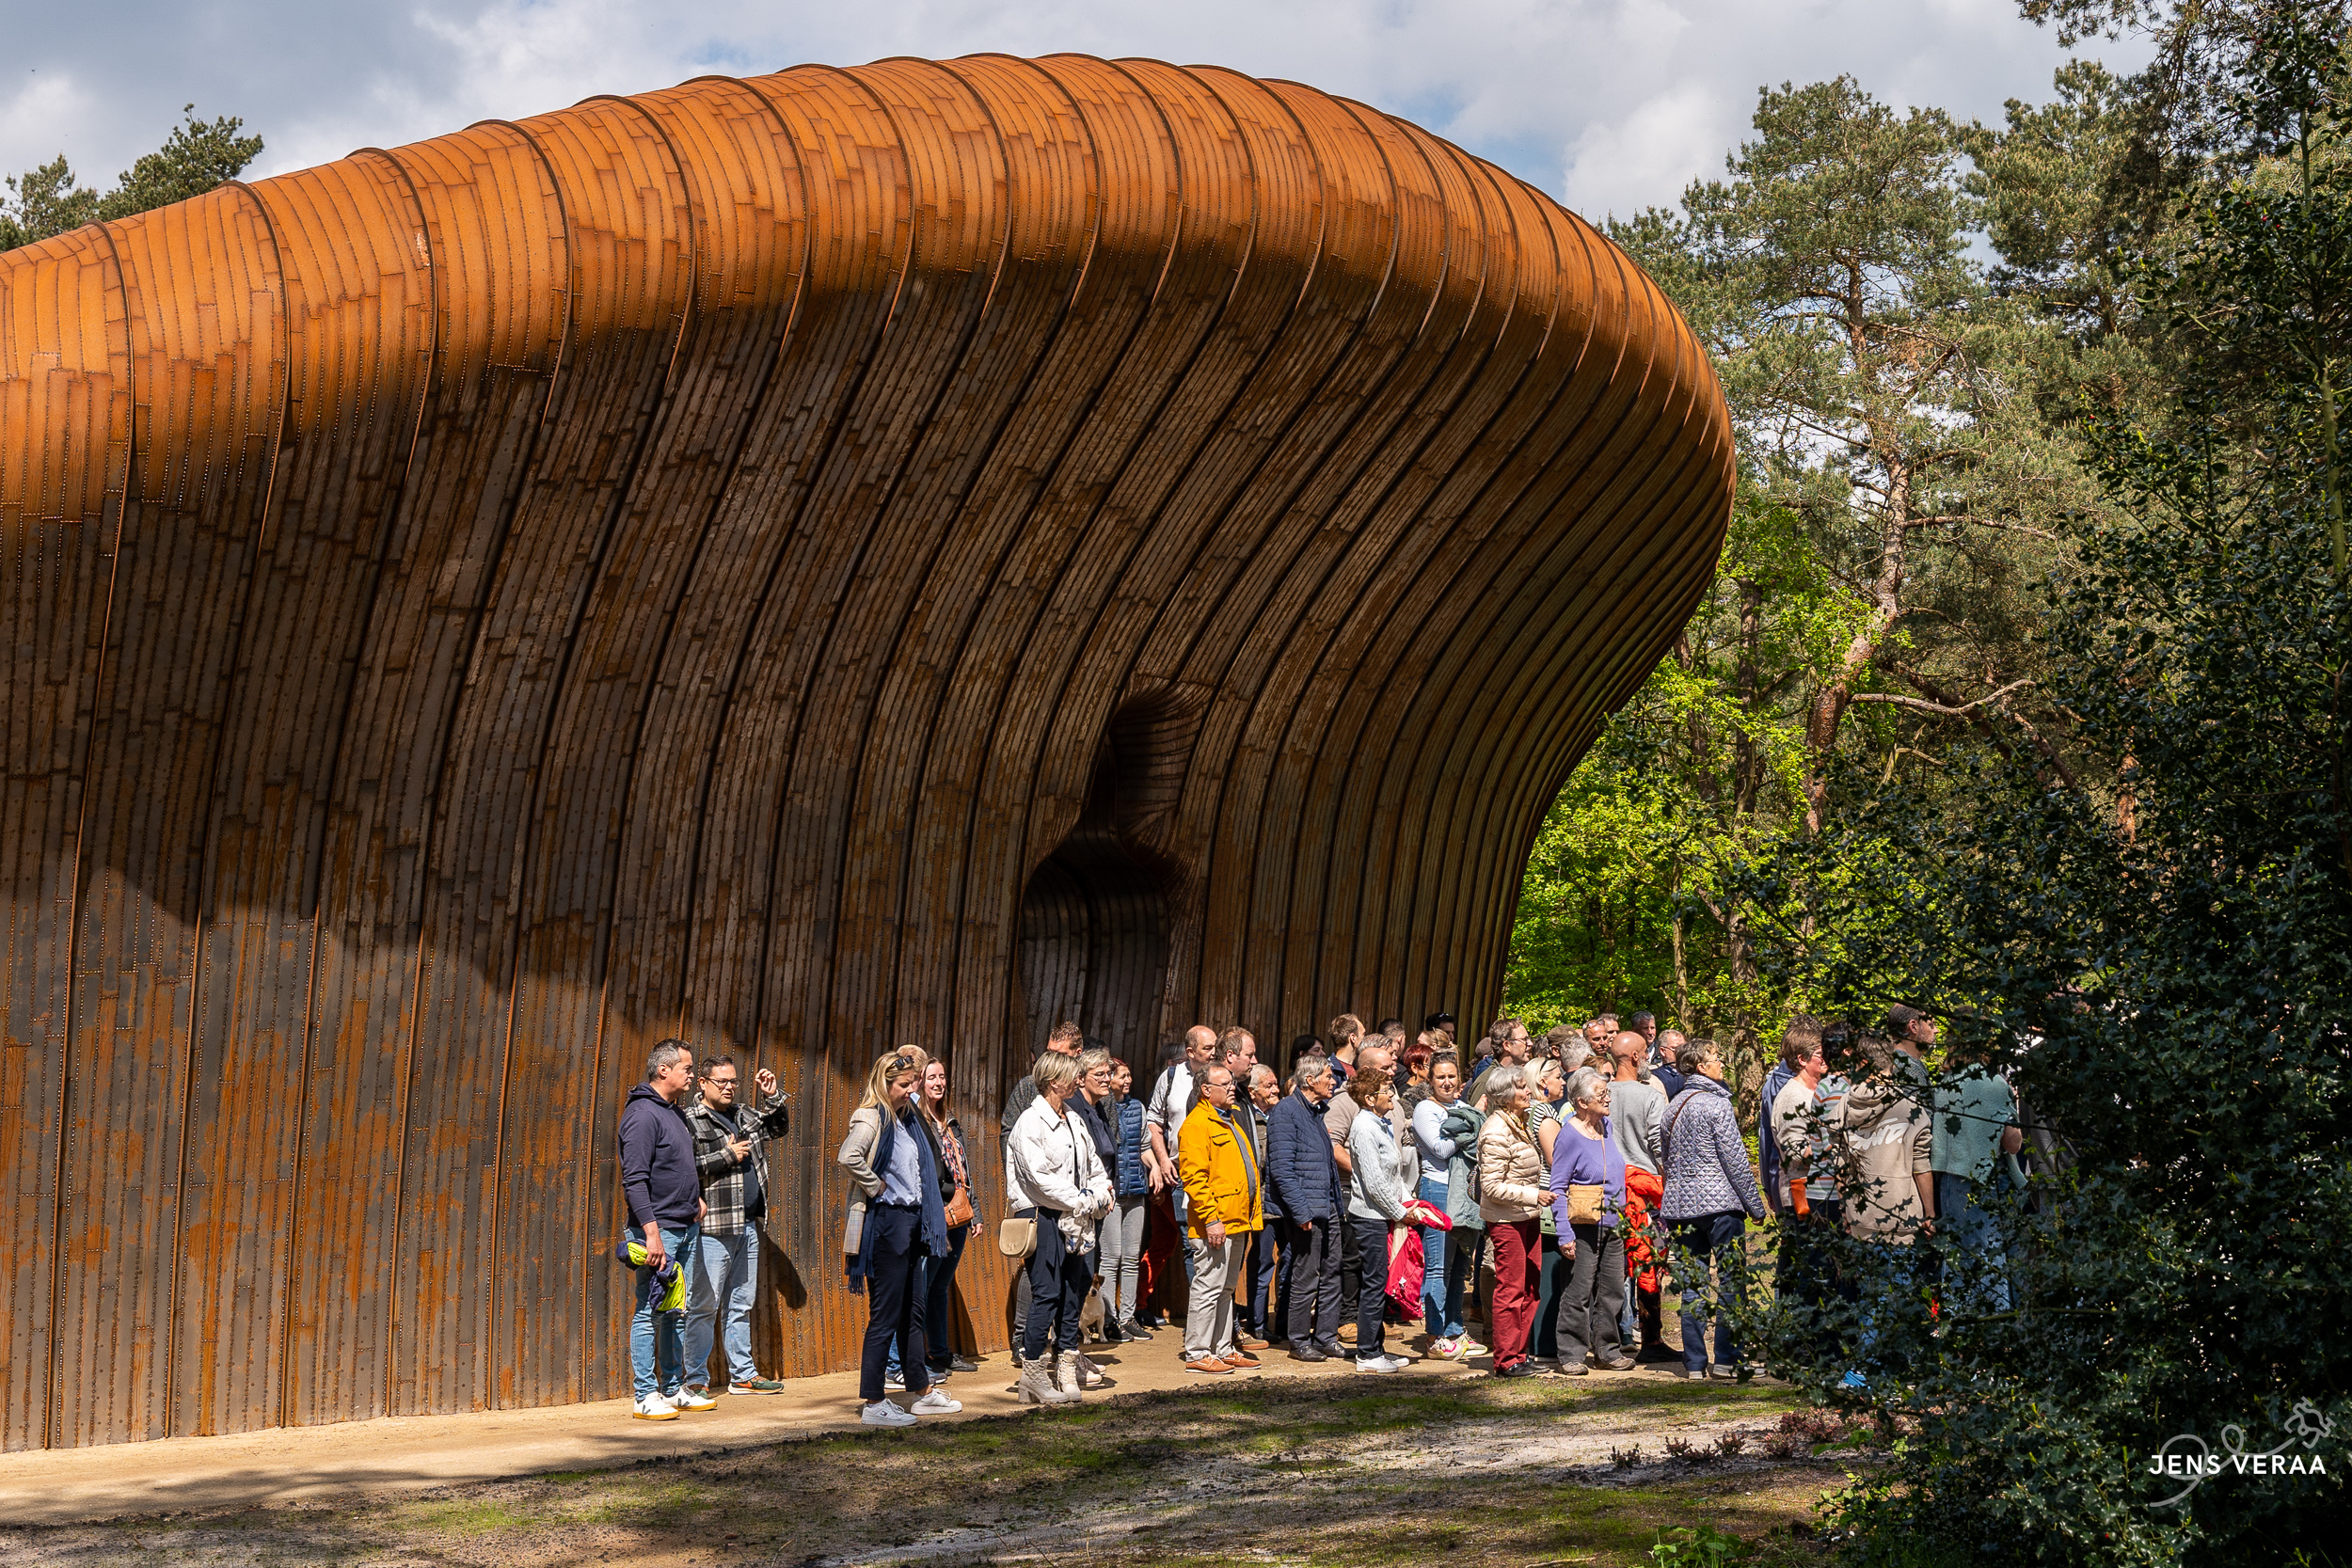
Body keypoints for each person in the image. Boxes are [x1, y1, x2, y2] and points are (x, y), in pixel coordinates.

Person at [838, 1049, 958, 1428]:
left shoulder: (906, 1119)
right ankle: (874, 1401)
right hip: (886, 1222)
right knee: (886, 1315)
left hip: (910, 1221)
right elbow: (848, 1156)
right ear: (885, 1083)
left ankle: (921, 1392)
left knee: (913, 1312)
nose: (911, 1091)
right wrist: (876, 1186)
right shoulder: (872, 1116)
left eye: (913, 1084)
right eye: (904, 1085)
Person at [682, 1053, 790, 1399]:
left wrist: (772, 1096)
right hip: (713, 1227)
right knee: (703, 1305)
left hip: (748, 1225)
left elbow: (778, 1127)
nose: (729, 1087)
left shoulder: (743, 1114)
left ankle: (742, 1375)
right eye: (721, 1081)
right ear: (703, 1084)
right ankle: (695, 1379)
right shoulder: (691, 1120)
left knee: (741, 1304)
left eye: (733, 1081)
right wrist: (727, 1155)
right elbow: (685, 1168)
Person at [1008, 1051, 1112, 1405]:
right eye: (1073, 1075)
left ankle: (1067, 1365)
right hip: (1042, 1217)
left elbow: (1094, 1166)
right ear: (1055, 1081)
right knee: (1047, 1293)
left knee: (1073, 1292)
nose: (1078, 1079)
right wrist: (1084, 1199)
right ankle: (1033, 1374)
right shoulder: (1029, 1123)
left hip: (1076, 1220)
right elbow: (1039, 1179)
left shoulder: (1074, 1120)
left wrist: (1101, 1192)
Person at [1660, 1037, 1766, 1381]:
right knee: (1733, 1281)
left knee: (1692, 1284)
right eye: (1717, 1058)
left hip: (1679, 1208)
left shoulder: (1672, 1107)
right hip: (1720, 1206)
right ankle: (1727, 1358)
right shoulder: (1716, 1105)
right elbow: (1734, 1161)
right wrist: (1756, 1205)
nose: (1723, 1064)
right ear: (1702, 1067)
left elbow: (1666, 1157)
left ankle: (1693, 1364)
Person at [619, 1039, 707, 1420]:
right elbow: (635, 1180)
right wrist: (650, 1233)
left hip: (684, 1224)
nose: (692, 1075)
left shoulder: (675, 1112)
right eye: (687, 1068)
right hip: (658, 1231)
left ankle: (672, 1390)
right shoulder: (642, 1114)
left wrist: (696, 1199)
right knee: (648, 1311)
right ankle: (644, 1395)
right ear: (663, 1071)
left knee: (675, 1311)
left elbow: (679, 1165)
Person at [1177, 1063, 1264, 1373]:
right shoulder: (1197, 1124)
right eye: (1224, 1083)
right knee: (1208, 1287)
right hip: (1215, 1224)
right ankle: (1198, 1352)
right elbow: (1194, 1178)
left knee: (1226, 1288)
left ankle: (1222, 1348)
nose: (1232, 1088)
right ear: (1205, 1090)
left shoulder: (1228, 1120)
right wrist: (1211, 1219)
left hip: (1237, 1220)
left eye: (1232, 1083)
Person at [1549, 1066, 1632, 1374]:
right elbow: (1557, 1187)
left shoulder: (1607, 1126)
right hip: (1582, 1225)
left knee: (1612, 1290)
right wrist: (1564, 1233)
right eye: (1601, 1094)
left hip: (1613, 1222)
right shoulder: (1569, 1135)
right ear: (1582, 1102)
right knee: (1578, 1290)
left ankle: (1607, 1351)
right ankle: (1571, 1354)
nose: (1607, 1098)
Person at [1772, 1023, 1849, 1360]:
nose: (1826, 1060)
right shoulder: (1792, 1096)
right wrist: (1833, 1145)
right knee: (1808, 1273)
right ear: (1802, 1059)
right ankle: (1800, 1347)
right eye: (1820, 1055)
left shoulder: (1820, 1089)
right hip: (1802, 1198)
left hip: (1824, 1196)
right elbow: (1792, 1152)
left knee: (1819, 1271)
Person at [1931, 1043, 2024, 1313]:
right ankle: (1993, 1327)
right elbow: (2013, 1144)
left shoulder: (1946, 1083)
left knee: (1958, 1255)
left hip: (1950, 1182)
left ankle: (1958, 1328)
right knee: (1990, 1254)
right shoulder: (1994, 1084)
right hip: (1986, 1181)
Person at [1267, 1056, 1346, 1360]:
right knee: (1305, 1275)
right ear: (1310, 1080)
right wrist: (1301, 1212)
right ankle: (1299, 1341)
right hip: (1307, 1213)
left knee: (1332, 1273)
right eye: (1328, 1076)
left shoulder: (1315, 1113)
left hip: (1328, 1208)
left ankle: (1326, 1336)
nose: (1334, 1081)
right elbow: (1282, 1170)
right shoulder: (1287, 1112)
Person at [1475, 1063, 1550, 1378]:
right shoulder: (1495, 1130)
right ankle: (1506, 1361)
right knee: (1511, 1288)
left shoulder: (1517, 1123)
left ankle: (1519, 1354)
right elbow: (1490, 1186)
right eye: (1522, 1087)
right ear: (1505, 1095)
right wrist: (1534, 1195)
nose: (1529, 1092)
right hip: (1507, 1221)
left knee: (1530, 1287)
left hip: (1527, 1217)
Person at [1606, 1031, 1672, 1362]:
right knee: (1648, 1265)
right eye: (1645, 1052)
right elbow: (1660, 1146)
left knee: (1612, 1265)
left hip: (1607, 1187)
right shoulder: (1649, 1097)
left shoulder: (1599, 1092)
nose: (1647, 1058)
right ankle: (1651, 1339)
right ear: (1635, 1057)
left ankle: (1609, 1337)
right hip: (1643, 1188)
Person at [1343, 1067, 1414, 1372]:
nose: (1393, 1096)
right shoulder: (1364, 1127)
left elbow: (1393, 1175)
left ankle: (1377, 1347)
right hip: (1370, 1217)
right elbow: (1373, 1183)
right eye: (1388, 1091)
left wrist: (1408, 1201)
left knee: (1380, 1282)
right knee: (1374, 1284)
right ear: (1371, 1098)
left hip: (1385, 1215)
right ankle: (1367, 1355)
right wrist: (1401, 1213)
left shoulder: (1380, 1124)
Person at [916, 1057, 980, 1381]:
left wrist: (976, 1213)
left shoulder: (951, 1121)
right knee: (924, 1286)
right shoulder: (918, 1121)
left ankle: (940, 1352)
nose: (939, 1083)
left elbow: (964, 1171)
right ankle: (920, 1357)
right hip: (936, 1214)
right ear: (920, 1083)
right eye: (932, 1078)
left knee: (940, 1285)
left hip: (959, 1213)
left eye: (942, 1077)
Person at [1409, 1053, 1472, 1356]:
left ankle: (1455, 1331)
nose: (1447, 1082)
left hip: (1464, 1192)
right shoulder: (1425, 1109)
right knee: (1437, 1266)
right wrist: (1469, 1130)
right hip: (1437, 1189)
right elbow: (1440, 1148)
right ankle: (1434, 1335)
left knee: (1460, 1266)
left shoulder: (1462, 1108)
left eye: (1452, 1076)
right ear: (1430, 1081)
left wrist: (1466, 1127)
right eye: (1440, 1077)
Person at [1072, 1048, 1122, 1345]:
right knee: (1079, 1274)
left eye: (1108, 1074)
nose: (1107, 1079)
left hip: (1100, 1202)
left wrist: (1109, 1190)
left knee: (1091, 1267)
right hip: (1081, 1205)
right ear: (1081, 1078)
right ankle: (1067, 1347)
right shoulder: (1076, 1108)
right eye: (1099, 1075)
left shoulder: (1098, 1106)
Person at [1101, 1057, 1152, 1339]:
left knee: (1132, 1257)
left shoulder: (1137, 1107)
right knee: (1111, 1256)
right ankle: (1108, 1319)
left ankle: (1128, 1317)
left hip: (1135, 1190)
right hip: (1112, 1192)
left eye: (1129, 1075)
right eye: (1122, 1076)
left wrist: (1154, 1168)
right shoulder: (1102, 1109)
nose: (1127, 1080)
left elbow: (1144, 1145)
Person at [1526, 1053, 1571, 1365]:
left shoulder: (1529, 1111)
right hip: (1548, 1201)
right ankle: (1545, 1344)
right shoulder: (1543, 1113)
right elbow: (1557, 1160)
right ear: (1543, 1082)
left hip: (1537, 1198)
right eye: (1559, 1077)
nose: (1563, 1082)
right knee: (1550, 1272)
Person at [1241, 1063, 1284, 1345]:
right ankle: (1257, 1324)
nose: (1276, 1090)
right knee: (1262, 1260)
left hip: (1287, 1202)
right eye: (1269, 1086)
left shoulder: (1281, 1115)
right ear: (1252, 1091)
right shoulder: (1248, 1120)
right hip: (1263, 1203)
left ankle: (1283, 1321)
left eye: (1276, 1084)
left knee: (1290, 1259)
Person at [1469, 1020, 1533, 1110]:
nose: (1530, 1044)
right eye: (1524, 1040)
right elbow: (1479, 1121)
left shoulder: (1519, 1077)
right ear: (1507, 1045)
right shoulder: (1486, 1083)